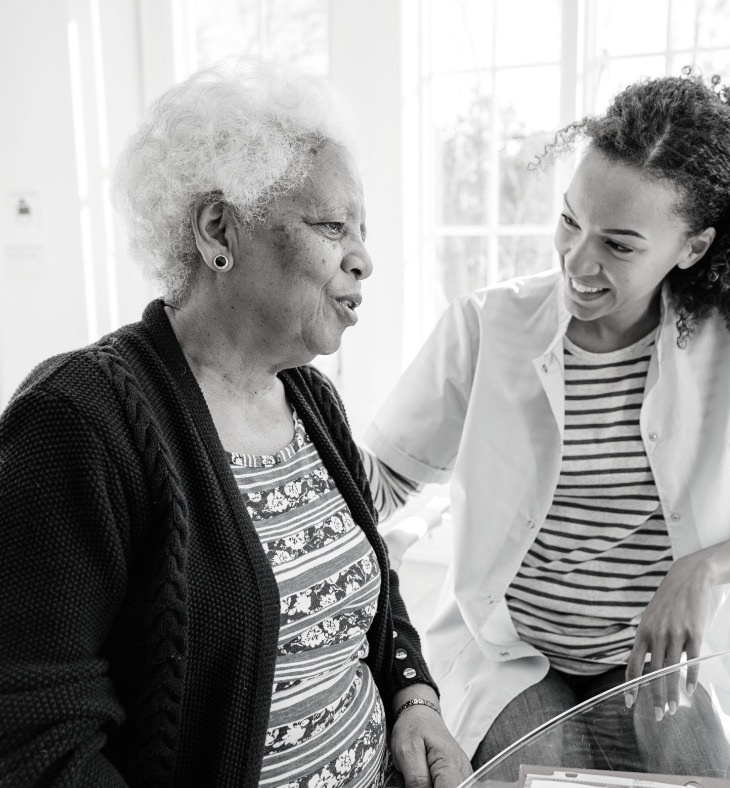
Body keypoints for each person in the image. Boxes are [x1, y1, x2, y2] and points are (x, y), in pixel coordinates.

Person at [361, 70, 730, 777]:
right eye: (569, 220)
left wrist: (703, 569)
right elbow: (382, 480)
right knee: (539, 766)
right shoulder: (484, 327)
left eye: (618, 245)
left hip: (660, 664)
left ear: (693, 247)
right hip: (514, 652)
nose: (577, 261)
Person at [0, 60, 470, 788]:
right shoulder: (78, 422)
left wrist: (415, 697)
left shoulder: (311, 399)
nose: (364, 259)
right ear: (220, 229)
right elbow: (35, 734)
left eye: (363, 231)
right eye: (331, 226)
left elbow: (369, 582)